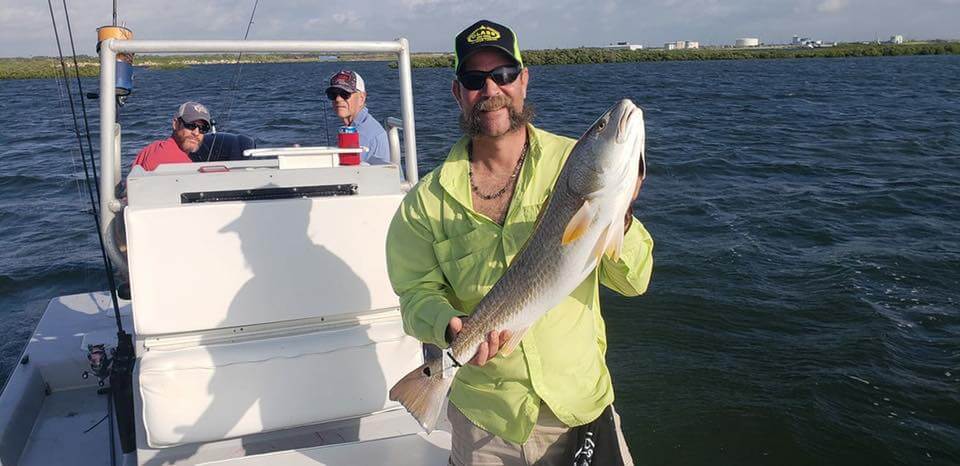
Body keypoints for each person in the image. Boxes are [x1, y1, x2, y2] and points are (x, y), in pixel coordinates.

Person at [385, 19, 653, 466]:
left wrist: (620, 215)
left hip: (579, 409)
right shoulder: (424, 203)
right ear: (458, 92)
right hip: (485, 424)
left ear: (524, 80)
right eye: (475, 79)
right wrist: (448, 324)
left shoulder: (574, 163)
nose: (491, 88)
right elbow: (415, 296)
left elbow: (635, 281)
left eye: (504, 75)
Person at [325, 70, 391, 165]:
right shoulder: (362, 124)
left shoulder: (363, 134)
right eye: (333, 94)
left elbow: (344, 168)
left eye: (345, 94)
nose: (338, 99)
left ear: (361, 98)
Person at [131, 101, 212, 171]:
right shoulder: (180, 165)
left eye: (203, 128)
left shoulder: (152, 148)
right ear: (175, 124)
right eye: (190, 126)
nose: (196, 133)